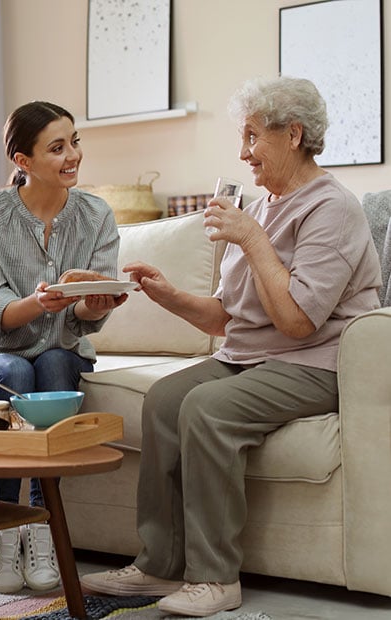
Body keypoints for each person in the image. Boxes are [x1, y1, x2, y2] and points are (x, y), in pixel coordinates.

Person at [80, 75, 382, 617]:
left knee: (207, 408)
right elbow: (227, 316)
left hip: (314, 363)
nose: (242, 153)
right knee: (166, 400)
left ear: (293, 134)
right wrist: (167, 295)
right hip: (247, 358)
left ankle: (216, 579)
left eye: (251, 137)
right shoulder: (262, 207)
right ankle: (157, 565)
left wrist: (251, 239)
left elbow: (297, 323)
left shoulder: (333, 209)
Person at [0, 101, 127, 594]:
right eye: (57, 147)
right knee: (17, 371)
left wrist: (92, 304)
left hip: (58, 351)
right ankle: (5, 528)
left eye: (75, 141)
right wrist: (40, 302)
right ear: (23, 161)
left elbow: (87, 320)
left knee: (51, 362)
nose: (73, 155)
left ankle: (41, 527)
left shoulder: (95, 215)